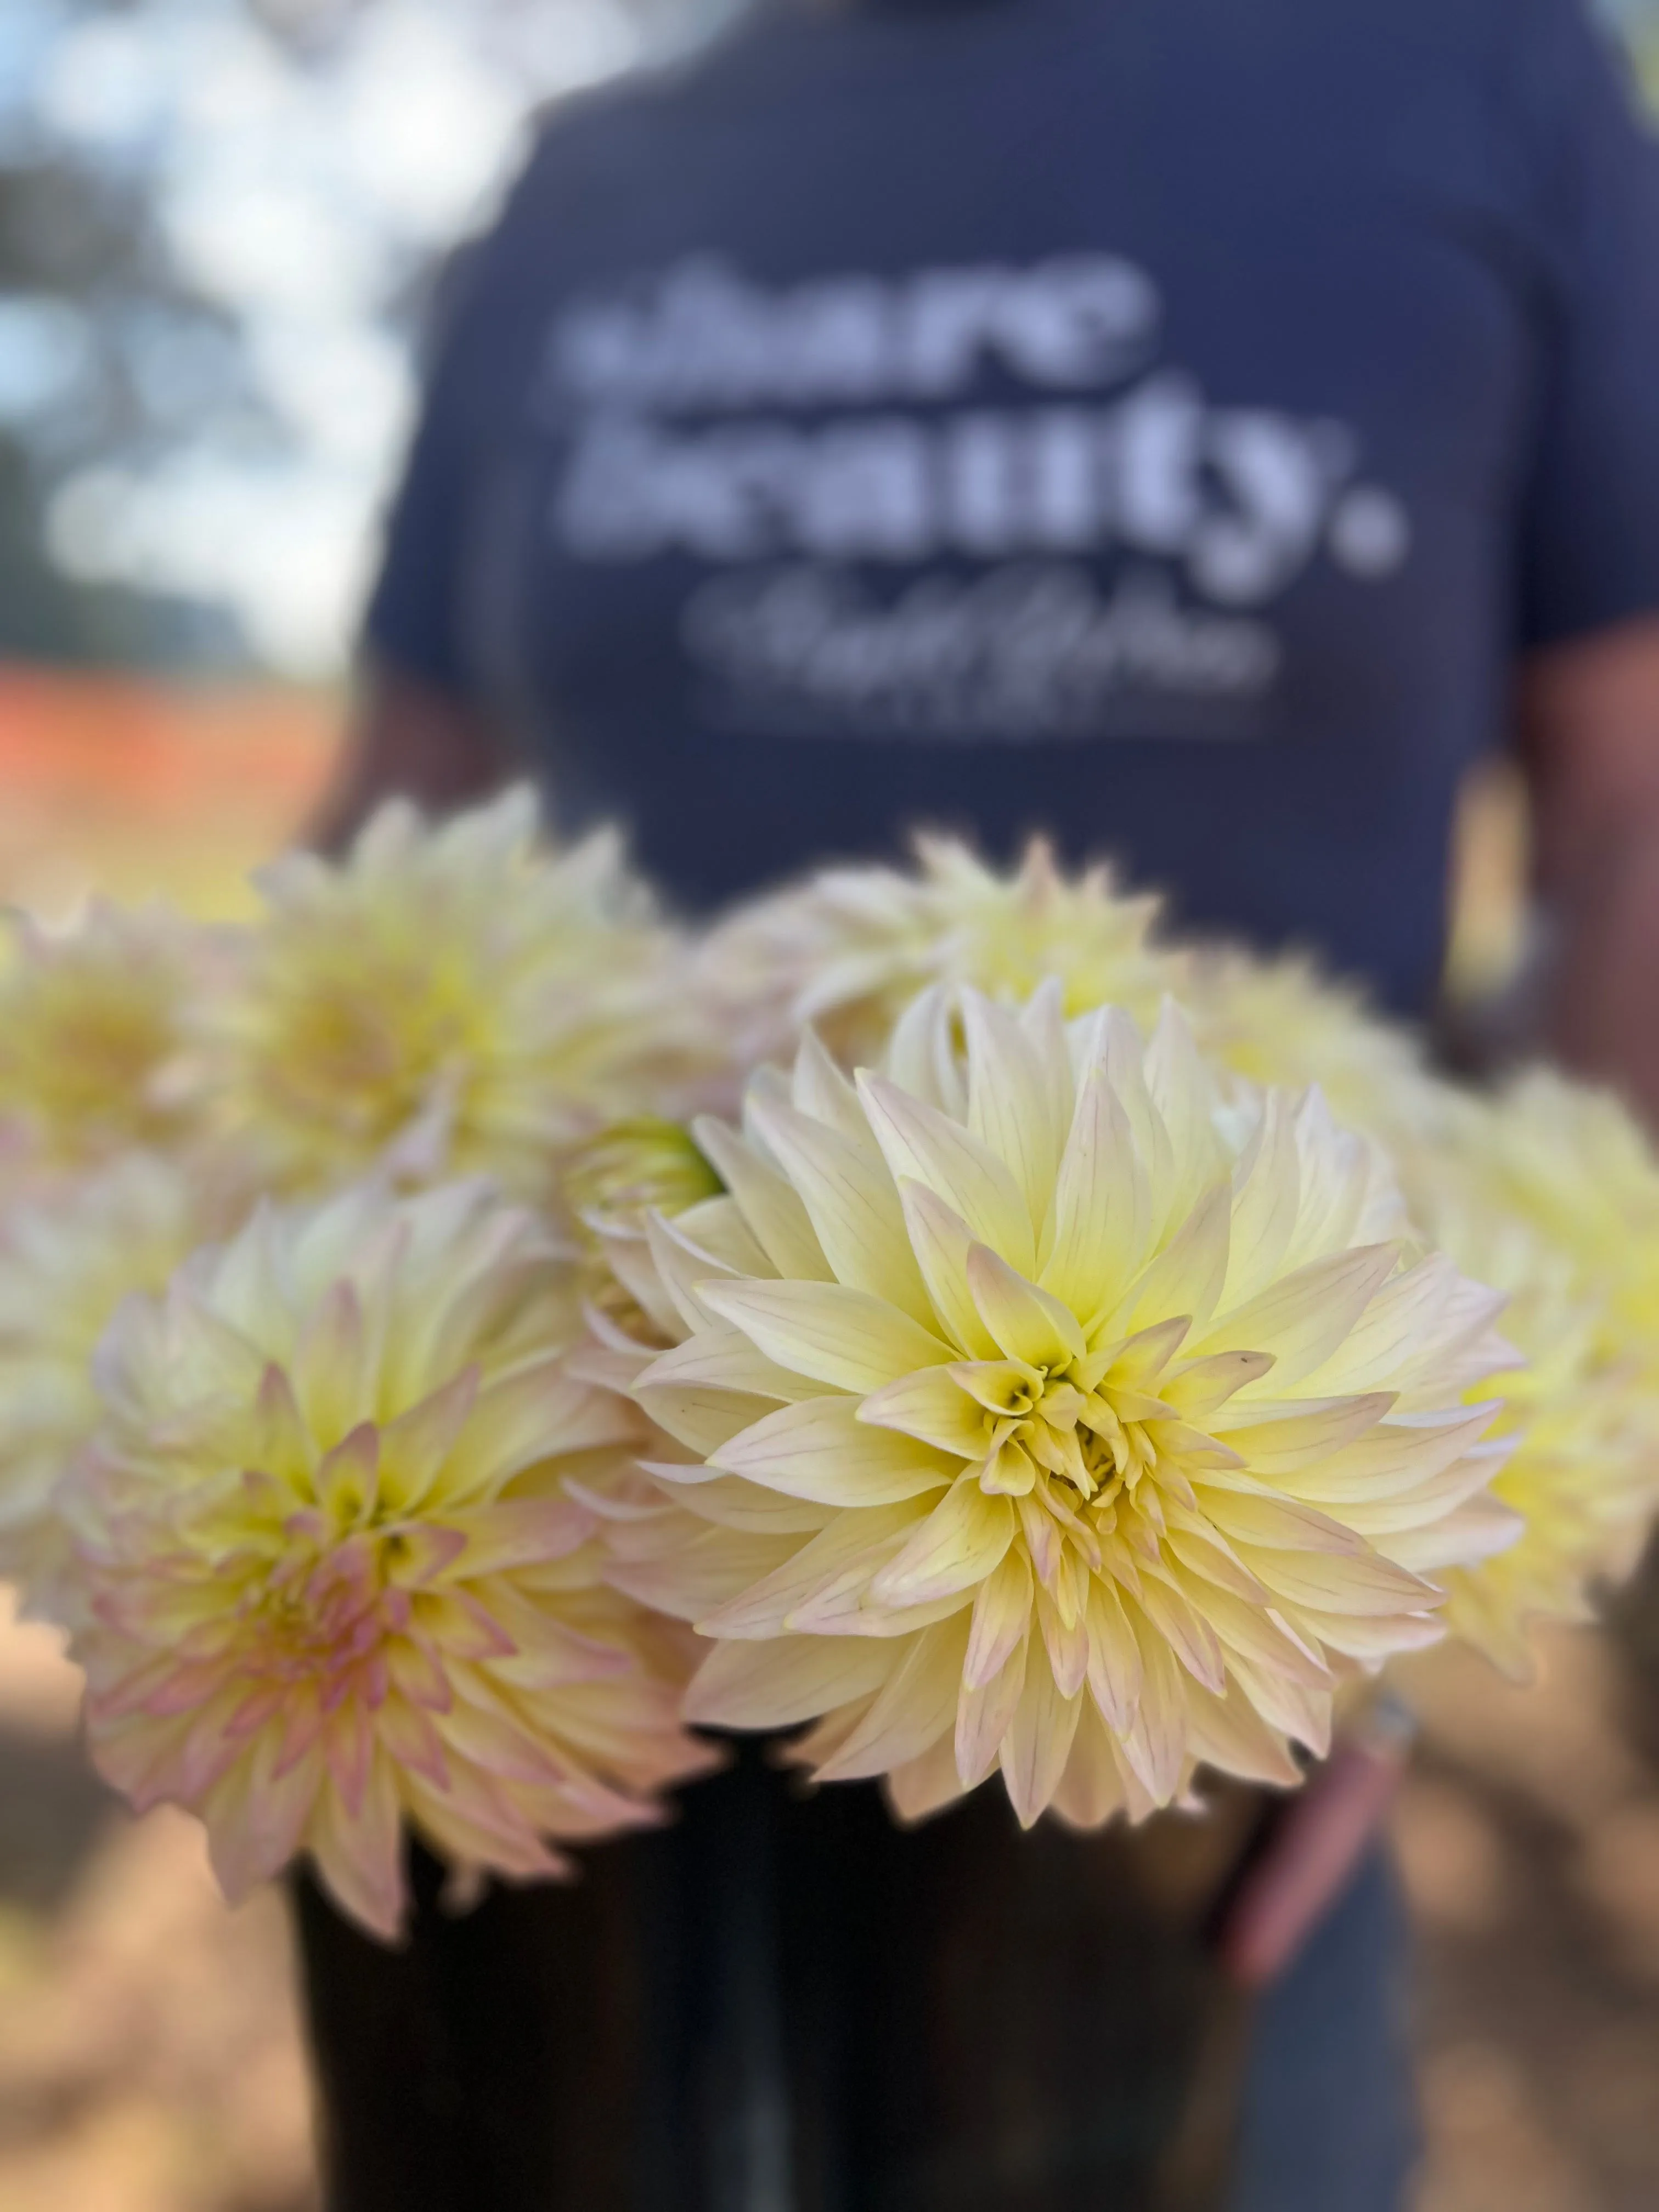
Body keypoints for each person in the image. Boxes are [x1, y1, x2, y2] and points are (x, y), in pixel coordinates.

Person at [312, 0, 1659, 2204]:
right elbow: (390, 823)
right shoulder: (579, 189)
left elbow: (1634, 820)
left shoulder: (1479, 75)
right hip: (535, 1616)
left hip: (1191, 1662)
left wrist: (1458, 1524)